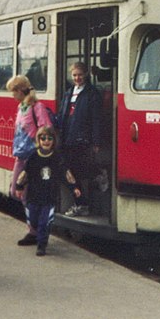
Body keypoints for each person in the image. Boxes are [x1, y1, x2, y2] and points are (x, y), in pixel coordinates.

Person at [15, 125, 80, 256]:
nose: (46, 141)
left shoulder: (57, 157)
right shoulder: (33, 156)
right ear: (38, 140)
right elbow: (25, 173)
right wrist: (19, 186)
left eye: (49, 138)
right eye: (43, 138)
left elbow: (66, 173)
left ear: (53, 141)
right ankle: (36, 235)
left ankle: (42, 245)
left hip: (49, 197)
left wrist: (74, 187)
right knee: (33, 220)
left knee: (44, 222)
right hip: (33, 196)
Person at [5, 75, 53, 246]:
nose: (12, 95)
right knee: (16, 191)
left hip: (33, 156)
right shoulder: (22, 107)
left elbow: (46, 129)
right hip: (21, 155)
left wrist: (40, 149)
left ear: (19, 90)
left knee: (27, 193)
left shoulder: (37, 107)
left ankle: (35, 231)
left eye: (13, 92)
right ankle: (35, 229)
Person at [57, 62, 103, 217]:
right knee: (66, 171)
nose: (77, 78)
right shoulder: (69, 92)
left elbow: (96, 119)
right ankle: (83, 200)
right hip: (67, 138)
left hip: (81, 140)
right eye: (74, 75)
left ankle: (81, 203)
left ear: (86, 75)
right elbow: (62, 114)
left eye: (80, 75)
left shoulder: (92, 94)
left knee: (74, 172)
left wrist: (96, 141)